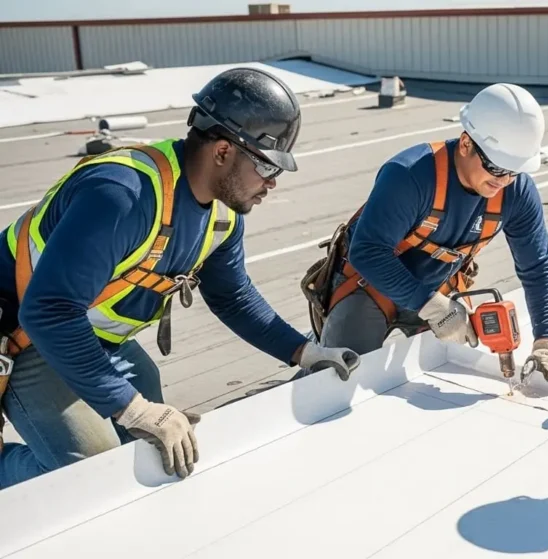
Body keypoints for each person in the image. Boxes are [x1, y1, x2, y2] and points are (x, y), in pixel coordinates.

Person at [0, 67, 360, 489]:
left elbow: (232, 297)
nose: (272, 183)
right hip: (26, 336)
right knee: (88, 476)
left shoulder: (222, 214)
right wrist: (130, 407)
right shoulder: (123, 194)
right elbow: (49, 311)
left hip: (93, 336)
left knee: (148, 452)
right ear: (223, 152)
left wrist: (305, 352)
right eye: (265, 165)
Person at [300, 82, 548, 383]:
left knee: (452, 373)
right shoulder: (411, 175)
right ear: (466, 144)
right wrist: (432, 306)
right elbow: (367, 251)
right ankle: (317, 354)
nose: (503, 181)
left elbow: (537, 266)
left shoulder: (516, 191)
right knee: (337, 377)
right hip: (370, 285)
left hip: (439, 290)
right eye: (496, 168)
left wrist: (547, 340)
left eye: (514, 170)